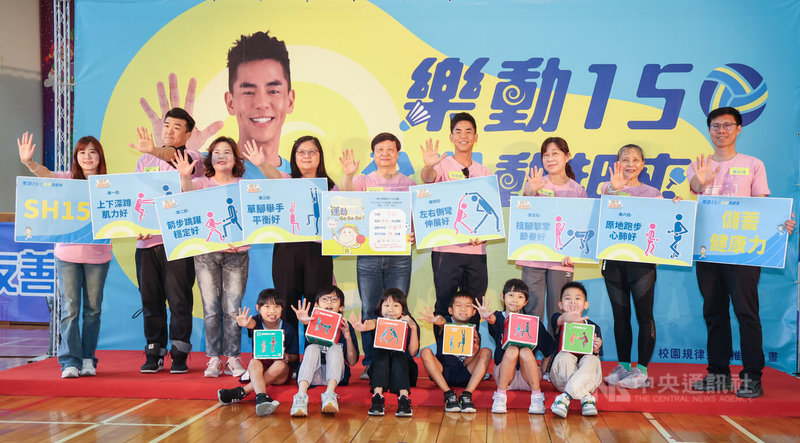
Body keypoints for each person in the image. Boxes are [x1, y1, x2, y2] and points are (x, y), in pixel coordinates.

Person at [687, 107, 795, 398]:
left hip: (743, 252)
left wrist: (780, 222)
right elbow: (694, 187)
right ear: (709, 130)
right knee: (714, 312)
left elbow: (762, 207)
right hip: (708, 250)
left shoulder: (752, 164)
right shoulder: (700, 164)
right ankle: (718, 374)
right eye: (715, 126)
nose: (721, 131)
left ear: (738, 129)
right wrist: (702, 180)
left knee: (746, 313)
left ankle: (752, 377)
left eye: (727, 125)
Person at [17, 132, 112, 378]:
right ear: (76, 157)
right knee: (70, 309)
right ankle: (70, 361)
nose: (87, 157)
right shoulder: (67, 179)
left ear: (100, 156)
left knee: (93, 311)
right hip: (67, 255)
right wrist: (29, 162)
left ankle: (88, 359)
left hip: (98, 256)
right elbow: (46, 175)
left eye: (92, 152)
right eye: (82, 152)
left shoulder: (109, 184)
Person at [129, 107, 205, 374]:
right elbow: (136, 195)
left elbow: (174, 157)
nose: (170, 130)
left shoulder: (193, 158)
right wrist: (136, 226)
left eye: (177, 127)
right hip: (147, 243)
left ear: (188, 133)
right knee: (150, 300)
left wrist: (153, 149)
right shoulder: (144, 161)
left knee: (179, 300)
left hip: (178, 242)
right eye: (167, 125)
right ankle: (154, 351)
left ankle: (180, 353)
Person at [339, 132, 416, 379]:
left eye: (390, 149)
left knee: (397, 308)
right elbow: (346, 197)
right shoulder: (362, 180)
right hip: (369, 256)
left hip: (399, 256)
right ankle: (372, 362)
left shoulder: (410, 184)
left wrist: (416, 233)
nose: (385, 153)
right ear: (373, 155)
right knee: (370, 309)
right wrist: (348, 174)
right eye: (380, 150)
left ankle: (397, 359)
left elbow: (416, 215)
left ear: (398, 154)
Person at [173, 136, 250, 378]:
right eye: (216, 152)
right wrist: (185, 176)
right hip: (206, 254)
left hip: (237, 255)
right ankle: (214, 358)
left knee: (233, 308)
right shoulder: (201, 183)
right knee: (211, 308)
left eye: (227, 151)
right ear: (210, 158)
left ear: (235, 159)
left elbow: (252, 218)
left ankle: (233, 357)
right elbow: (185, 199)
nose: (221, 156)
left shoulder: (244, 186)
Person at [245, 136, 336, 327]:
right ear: (294, 157)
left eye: (312, 152)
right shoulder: (287, 179)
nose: (306, 156)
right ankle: (289, 345)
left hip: (317, 252)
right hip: (287, 249)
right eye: (301, 152)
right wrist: (261, 163)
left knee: (316, 303)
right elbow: (273, 174)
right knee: (286, 302)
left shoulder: (330, 185)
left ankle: (315, 344)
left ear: (320, 156)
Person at [420, 112, 491, 333]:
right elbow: (427, 178)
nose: (463, 136)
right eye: (458, 131)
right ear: (451, 137)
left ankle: (470, 350)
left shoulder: (484, 172)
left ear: (476, 137)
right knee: (444, 304)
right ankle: (444, 351)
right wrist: (429, 166)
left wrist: (486, 234)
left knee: (474, 306)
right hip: (446, 250)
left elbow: (490, 214)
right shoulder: (442, 166)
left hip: (476, 252)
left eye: (468, 131)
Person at [599, 144, 662, 389]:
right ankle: (623, 366)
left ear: (643, 165)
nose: (630, 164)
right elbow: (603, 214)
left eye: (635, 160)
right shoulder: (607, 188)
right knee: (620, 315)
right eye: (625, 159)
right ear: (617, 163)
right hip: (614, 262)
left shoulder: (653, 193)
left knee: (644, 316)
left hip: (642, 264)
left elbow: (663, 221)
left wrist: (674, 207)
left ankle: (642, 371)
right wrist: (615, 190)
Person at [518, 137, 586, 331]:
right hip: (534, 257)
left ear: (567, 156)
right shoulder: (535, 184)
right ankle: (530, 349)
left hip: (562, 260)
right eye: (545, 155)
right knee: (531, 308)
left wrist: (573, 253)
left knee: (559, 311)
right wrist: (531, 192)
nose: (549, 158)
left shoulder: (577, 191)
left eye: (555, 153)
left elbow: (582, 225)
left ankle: (555, 350)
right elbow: (522, 217)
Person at [474, 279, 556, 414]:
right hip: (505, 378)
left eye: (520, 297)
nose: (515, 300)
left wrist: (541, 371)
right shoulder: (497, 317)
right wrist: (488, 318)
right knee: (512, 350)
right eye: (511, 295)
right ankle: (500, 396)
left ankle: (537, 397)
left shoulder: (532, 323)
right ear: (502, 297)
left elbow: (549, 349)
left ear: (526, 301)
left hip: (527, 379)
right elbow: (493, 321)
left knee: (525, 351)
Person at [217, 289, 299, 416]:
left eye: (277, 306)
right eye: (267, 306)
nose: (272, 311)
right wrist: (246, 323)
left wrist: (288, 357)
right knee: (254, 362)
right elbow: (251, 324)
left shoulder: (288, 328)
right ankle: (261, 398)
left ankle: (241, 392)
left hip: (279, 374)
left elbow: (295, 356)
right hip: (259, 371)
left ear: (282, 309)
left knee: (280, 364)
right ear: (258, 308)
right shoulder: (257, 322)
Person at [289, 285, 359, 416]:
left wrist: (348, 336)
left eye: (334, 299)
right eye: (325, 299)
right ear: (316, 305)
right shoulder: (311, 321)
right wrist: (304, 323)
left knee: (335, 348)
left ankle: (330, 395)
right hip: (312, 375)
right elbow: (306, 323)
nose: (329, 302)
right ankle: (300, 396)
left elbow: (352, 361)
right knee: (312, 348)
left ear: (342, 307)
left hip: (335, 376)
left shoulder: (345, 325)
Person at [419, 292, 493, 413]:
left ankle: (467, 395)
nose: (463, 309)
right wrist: (435, 319)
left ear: (474, 312)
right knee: (425, 352)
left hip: (465, 373)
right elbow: (441, 321)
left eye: (468, 306)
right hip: (443, 373)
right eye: (458, 305)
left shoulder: (473, 331)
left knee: (487, 351)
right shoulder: (446, 323)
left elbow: (467, 363)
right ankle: (448, 394)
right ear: (450, 310)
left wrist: (474, 352)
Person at [350, 289, 420, 417]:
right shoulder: (378, 322)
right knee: (381, 353)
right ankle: (377, 398)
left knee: (399, 354)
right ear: (380, 308)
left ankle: (404, 400)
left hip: (405, 372)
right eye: (386, 305)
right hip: (381, 371)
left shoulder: (410, 323)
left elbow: (413, 352)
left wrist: (413, 328)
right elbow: (371, 323)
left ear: (403, 309)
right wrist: (364, 327)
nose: (390, 309)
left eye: (396, 305)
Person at [549, 282, 604, 418]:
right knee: (565, 356)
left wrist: (596, 350)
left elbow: (596, 362)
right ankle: (586, 398)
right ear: (560, 304)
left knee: (592, 359)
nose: (573, 302)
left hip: (586, 380)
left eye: (578, 298)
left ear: (586, 305)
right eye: (568, 298)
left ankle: (565, 398)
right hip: (562, 378)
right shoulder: (558, 320)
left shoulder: (594, 328)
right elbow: (560, 319)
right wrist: (567, 318)